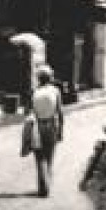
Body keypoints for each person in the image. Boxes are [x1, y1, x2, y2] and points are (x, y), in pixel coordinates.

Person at [30, 65, 65, 197]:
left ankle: (42, 186)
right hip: (51, 124)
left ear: (39, 78)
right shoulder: (55, 91)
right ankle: (46, 185)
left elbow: (31, 111)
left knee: (39, 156)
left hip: (37, 125)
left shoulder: (35, 91)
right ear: (49, 77)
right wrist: (61, 129)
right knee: (49, 156)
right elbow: (60, 111)